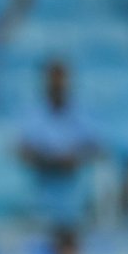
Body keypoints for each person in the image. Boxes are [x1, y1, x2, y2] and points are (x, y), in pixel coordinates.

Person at [17, 59, 102, 227]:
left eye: (61, 79)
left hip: (75, 197)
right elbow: (22, 150)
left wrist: (75, 158)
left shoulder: (82, 114)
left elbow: (96, 149)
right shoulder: (33, 114)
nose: (57, 85)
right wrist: (49, 160)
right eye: (53, 79)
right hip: (42, 197)